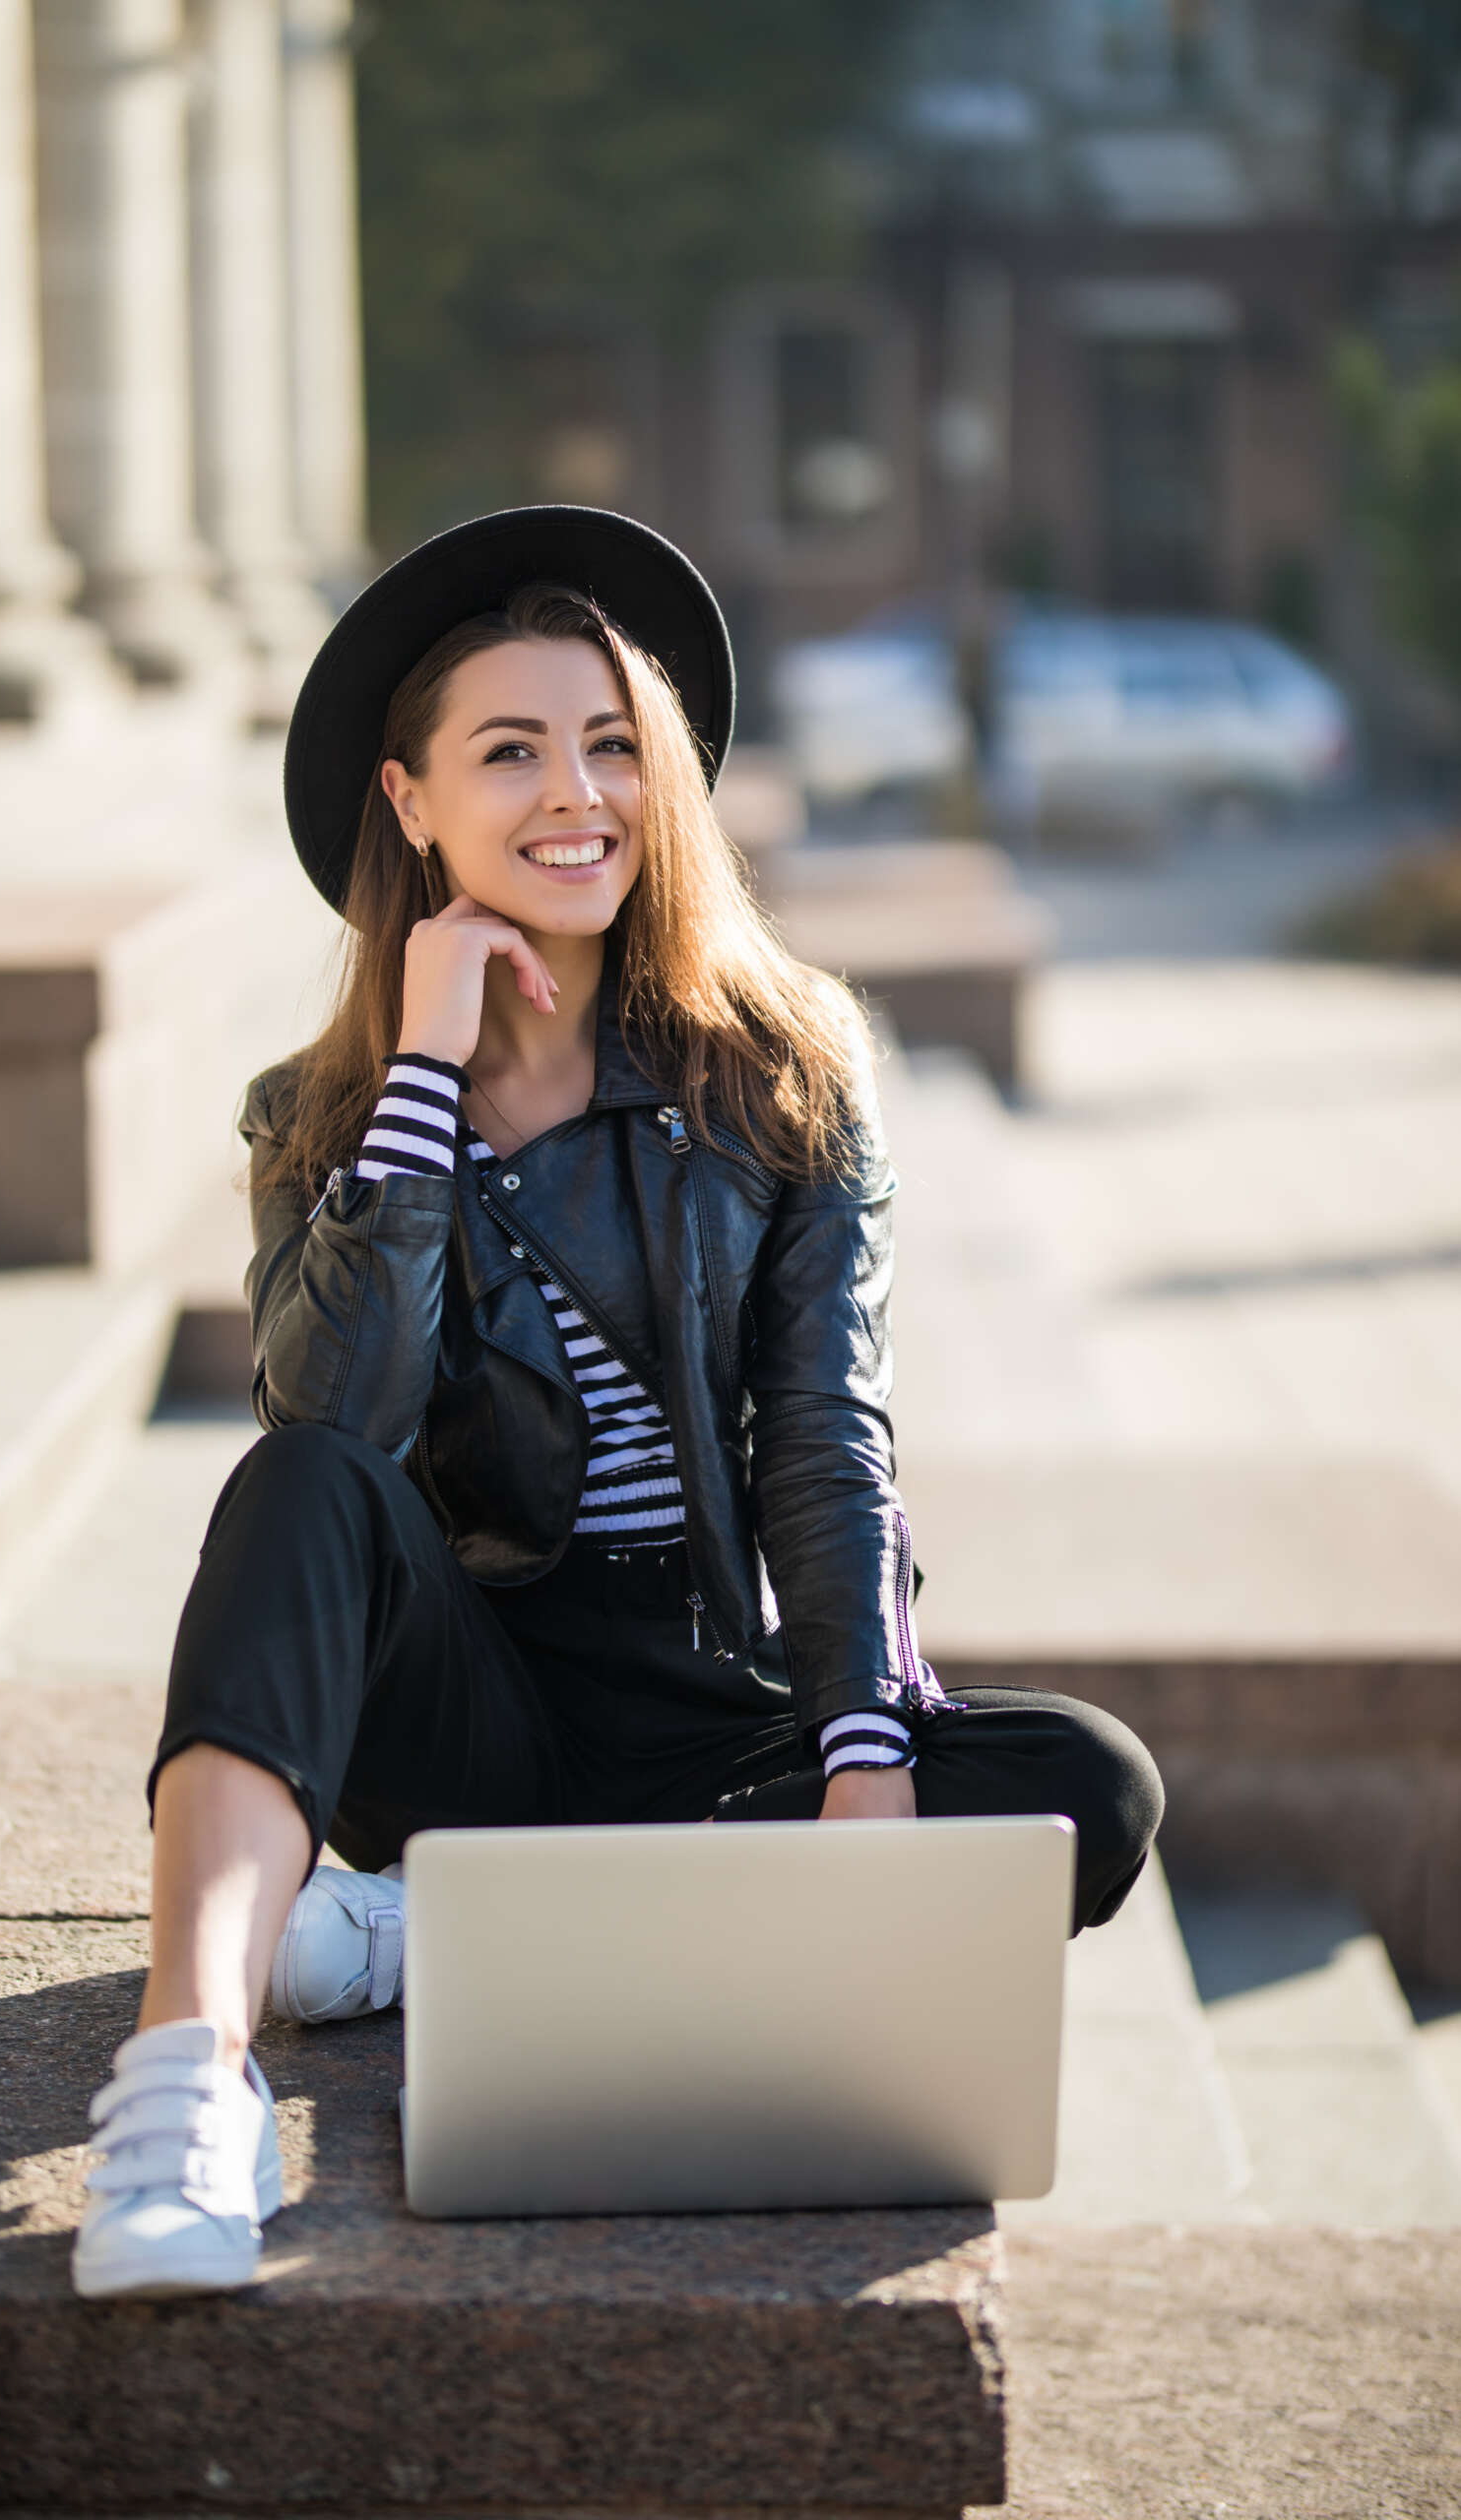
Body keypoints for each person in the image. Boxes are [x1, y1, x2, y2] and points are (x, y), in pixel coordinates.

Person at [69, 506, 1163, 2301]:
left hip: (706, 1708)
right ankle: (190, 2079)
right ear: (411, 802)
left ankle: (438, 1936)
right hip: (472, 1706)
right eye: (512, 751)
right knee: (294, 1493)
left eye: (612, 746)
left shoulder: (781, 1071)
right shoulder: (318, 1111)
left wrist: (865, 1746)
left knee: (1083, 1788)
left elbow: (828, 1434)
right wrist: (422, 1071)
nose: (578, 793)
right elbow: (335, 1412)